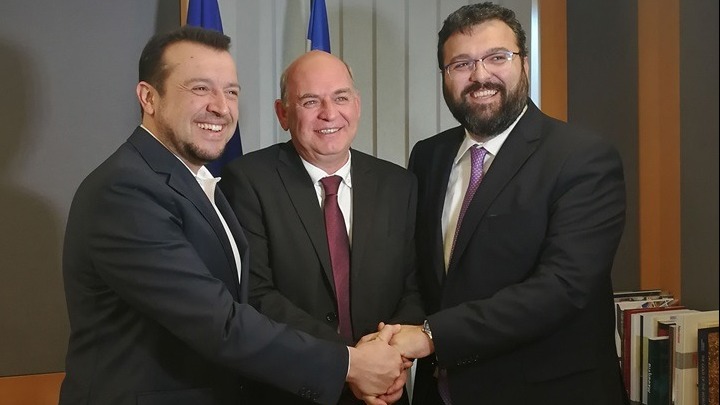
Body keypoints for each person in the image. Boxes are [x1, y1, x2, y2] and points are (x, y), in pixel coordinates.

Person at [60, 26, 407, 405]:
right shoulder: (126, 190)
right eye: (200, 88)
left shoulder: (192, 181)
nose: (221, 107)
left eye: (231, 92)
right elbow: (218, 322)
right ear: (149, 97)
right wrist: (350, 364)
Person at [384, 3, 630, 405]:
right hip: (441, 393)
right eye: (461, 64)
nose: (480, 76)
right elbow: (421, 275)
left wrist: (431, 336)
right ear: (444, 76)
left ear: (525, 64)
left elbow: (562, 287)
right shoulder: (428, 156)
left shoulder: (582, 157)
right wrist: (388, 343)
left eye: (497, 57)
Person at [219, 50, 425, 405]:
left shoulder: (399, 184)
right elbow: (256, 294)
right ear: (283, 114)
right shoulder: (248, 181)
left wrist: (388, 358)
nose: (329, 113)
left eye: (340, 97)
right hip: (292, 391)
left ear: (357, 105)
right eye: (310, 101)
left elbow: (415, 288)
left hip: (385, 392)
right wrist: (353, 363)